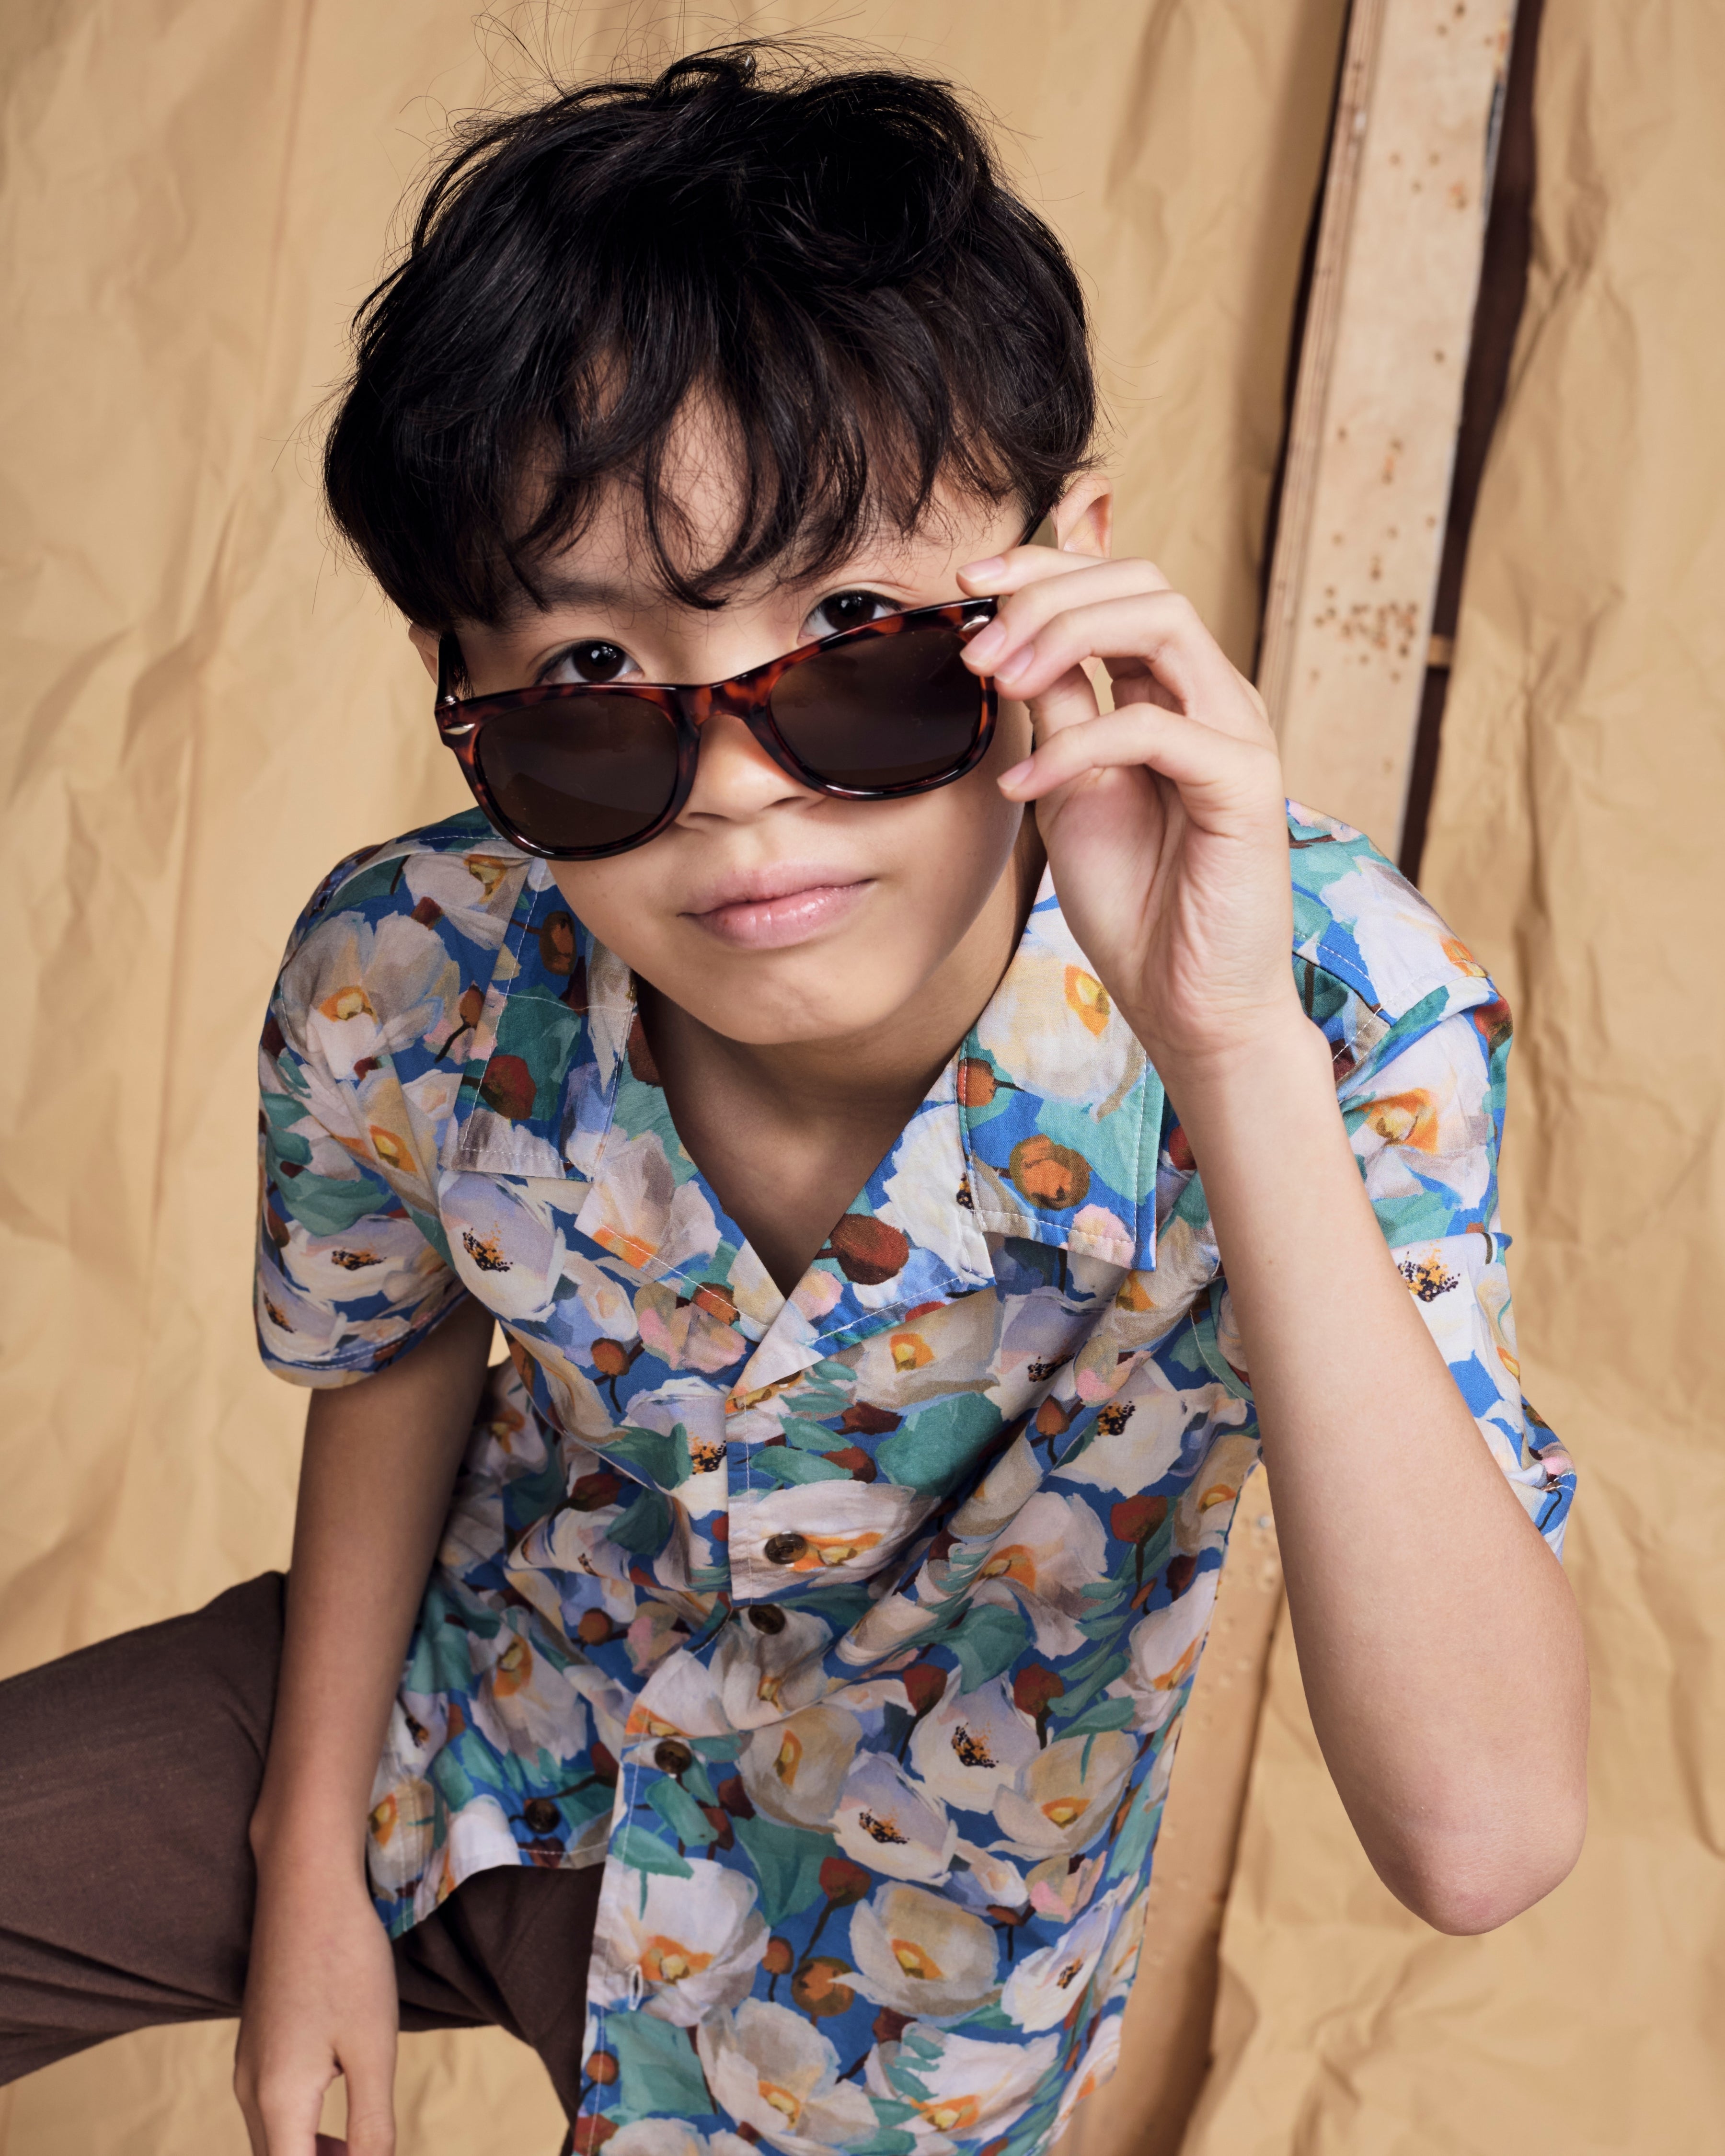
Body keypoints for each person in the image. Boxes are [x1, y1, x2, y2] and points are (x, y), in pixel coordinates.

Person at [0, 45, 1587, 2156]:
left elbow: (1483, 1834)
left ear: (1063, 577)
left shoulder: (1335, 1003)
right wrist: (312, 1868)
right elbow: (394, 1349)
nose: (742, 790)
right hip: (476, 1704)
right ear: (460, 686)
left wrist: (1230, 1056)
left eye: (856, 629)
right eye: (592, 680)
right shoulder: (414, 959)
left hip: (889, 1968)